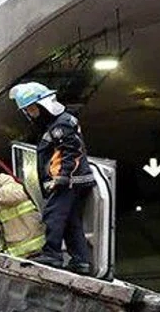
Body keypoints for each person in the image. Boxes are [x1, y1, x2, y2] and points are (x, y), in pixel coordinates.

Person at [8, 81, 95, 275]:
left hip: (69, 181)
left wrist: (63, 177)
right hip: (75, 180)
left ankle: (52, 254)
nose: (30, 114)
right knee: (71, 223)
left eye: (31, 109)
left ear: (41, 105)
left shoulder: (61, 124)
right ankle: (81, 261)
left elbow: (71, 151)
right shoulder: (57, 123)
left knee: (53, 216)